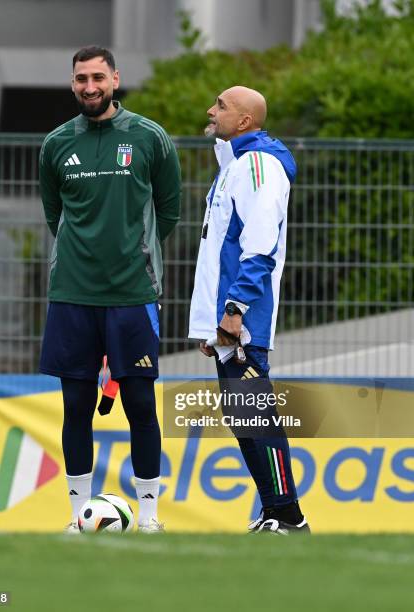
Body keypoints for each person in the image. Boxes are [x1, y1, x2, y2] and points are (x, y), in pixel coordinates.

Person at [39, 46, 181, 533]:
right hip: (72, 295)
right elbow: (54, 214)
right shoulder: (56, 144)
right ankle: (77, 517)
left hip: (132, 293)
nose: (89, 87)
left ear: (115, 79)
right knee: (76, 407)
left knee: (141, 405)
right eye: (81, 79)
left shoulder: (149, 137)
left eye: (98, 77)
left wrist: (131, 252)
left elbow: (169, 209)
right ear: (73, 83)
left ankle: (149, 518)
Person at [188, 86, 309, 534]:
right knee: (243, 416)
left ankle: (289, 515)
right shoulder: (237, 164)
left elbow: (260, 243)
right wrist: (209, 323)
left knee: (256, 416)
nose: (210, 110)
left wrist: (234, 311)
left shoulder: (258, 163)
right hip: (226, 319)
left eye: (220, 105)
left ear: (244, 121)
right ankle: (274, 513)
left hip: (243, 316)